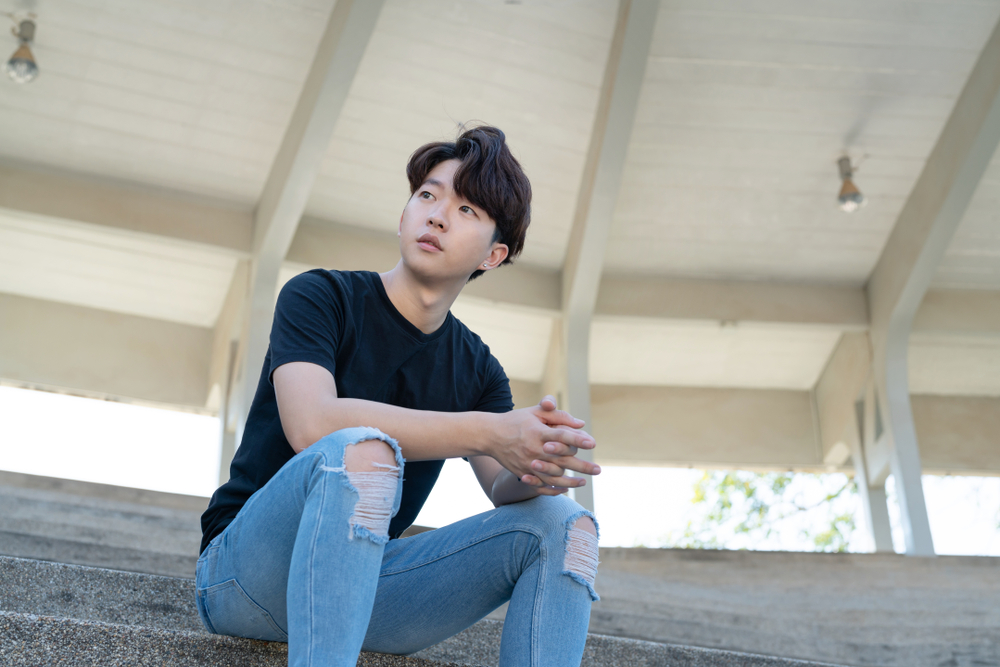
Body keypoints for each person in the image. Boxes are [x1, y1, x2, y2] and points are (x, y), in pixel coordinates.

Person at [197, 125, 602, 667]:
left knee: (564, 524)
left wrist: (535, 464)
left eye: (467, 211)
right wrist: (491, 430)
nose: (436, 215)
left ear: (493, 254)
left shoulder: (478, 371)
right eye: (428, 196)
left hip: (362, 589)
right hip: (244, 575)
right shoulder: (321, 297)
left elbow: (501, 487)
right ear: (404, 214)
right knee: (362, 451)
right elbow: (311, 423)